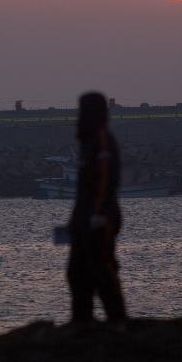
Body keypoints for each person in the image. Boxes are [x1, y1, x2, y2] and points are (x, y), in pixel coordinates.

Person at [66, 91, 126, 323]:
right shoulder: (87, 142)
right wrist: (76, 219)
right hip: (84, 218)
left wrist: (98, 215)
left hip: (100, 218)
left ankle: (118, 321)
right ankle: (82, 323)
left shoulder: (101, 140)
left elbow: (105, 181)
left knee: (102, 271)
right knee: (77, 274)